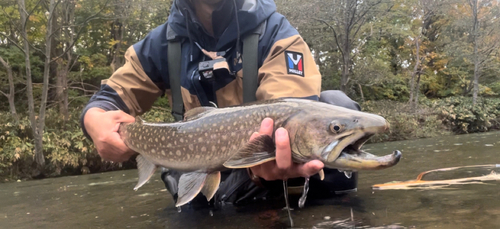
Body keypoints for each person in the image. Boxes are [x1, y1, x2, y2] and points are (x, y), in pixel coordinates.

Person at [81, 0, 359, 207]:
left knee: (337, 107)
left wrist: (264, 158)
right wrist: (93, 121)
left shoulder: (276, 33)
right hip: (194, 165)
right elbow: (108, 100)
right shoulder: (160, 45)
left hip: (264, 167)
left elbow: (292, 109)